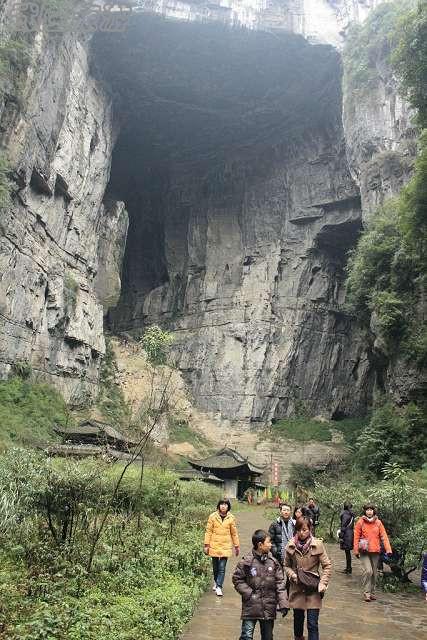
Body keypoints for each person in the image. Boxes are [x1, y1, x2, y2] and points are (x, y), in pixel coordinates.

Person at [232, 529, 289, 640]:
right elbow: (237, 579)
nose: (271, 544)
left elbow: (280, 584)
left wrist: (283, 603)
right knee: (246, 636)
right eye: (268, 542)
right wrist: (249, 593)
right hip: (250, 606)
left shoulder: (273, 562)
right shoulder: (247, 562)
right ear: (260, 545)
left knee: (268, 637)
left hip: (268, 607)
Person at [284, 516, 332, 640]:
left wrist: (323, 583)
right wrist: (292, 575)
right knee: (298, 622)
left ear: (310, 529)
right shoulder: (290, 546)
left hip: (313, 588)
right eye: (299, 530)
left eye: (305, 530)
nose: (302, 532)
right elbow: (286, 565)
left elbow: (327, 566)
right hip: (297, 587)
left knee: (312, 624)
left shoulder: (317, 545)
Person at [353, 503, 392, 602]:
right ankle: (367, 593)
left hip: (375, 551)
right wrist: (356, 550)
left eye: (371, 510)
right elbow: (356, 537)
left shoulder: (378, 523)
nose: (369, 511)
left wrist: (388, 549)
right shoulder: (360, 522)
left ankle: (372, 592)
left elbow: (384, 536)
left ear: (373, 511)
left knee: (374, 573)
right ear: (365, 511)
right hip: (364, 551)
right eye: (367, 510)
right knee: (368, 571)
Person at [204, 498, 240, 596]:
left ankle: (219, 586)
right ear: (219, 506)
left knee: (222, 567)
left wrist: (236, 546)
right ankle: (216, 581)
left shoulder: (231, 518)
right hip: (214, 544)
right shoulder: (212, 516)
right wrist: (206, 545)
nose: (223, 506)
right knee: (215, 567)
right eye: (222, 504)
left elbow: (234, 533)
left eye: (225, 504)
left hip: (226, 545)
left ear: (228, 506)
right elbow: (208, 531)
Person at [339, 502, 355, 574]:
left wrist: (341, 536)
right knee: (348, 552)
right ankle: (349, 568)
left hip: (346, 534)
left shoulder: (345, 514)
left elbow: (343, 526)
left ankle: (348, 569)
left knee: (347, 552)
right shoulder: (351, 514)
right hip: (350, 533)